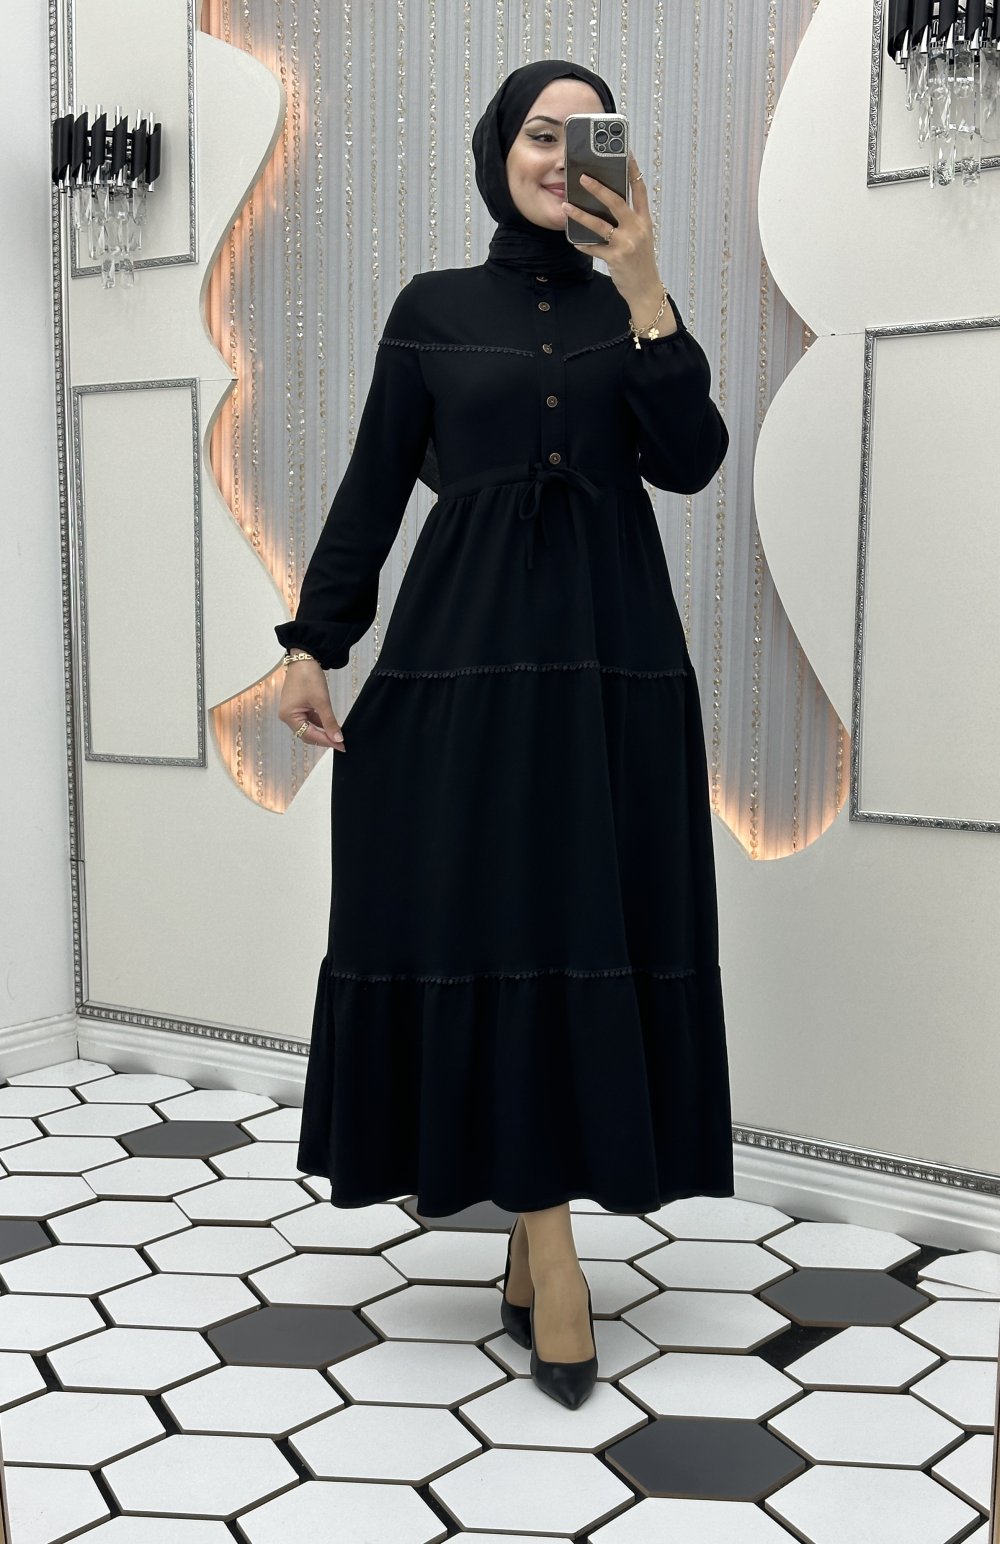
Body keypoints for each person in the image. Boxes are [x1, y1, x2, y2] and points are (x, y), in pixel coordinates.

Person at [275, 59, 734, 1410]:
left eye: (588, 136)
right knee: (493, 920)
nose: (560, 156)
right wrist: (313, 641)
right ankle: (554, 1256)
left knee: (587, 922)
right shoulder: (432, 309)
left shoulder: (630, 310)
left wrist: (647, 288)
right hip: (462, 663)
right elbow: (374, 483)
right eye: (542, 132)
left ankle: (542, 1242)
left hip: (610, 668)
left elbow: (691, 460)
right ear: (501, 149)